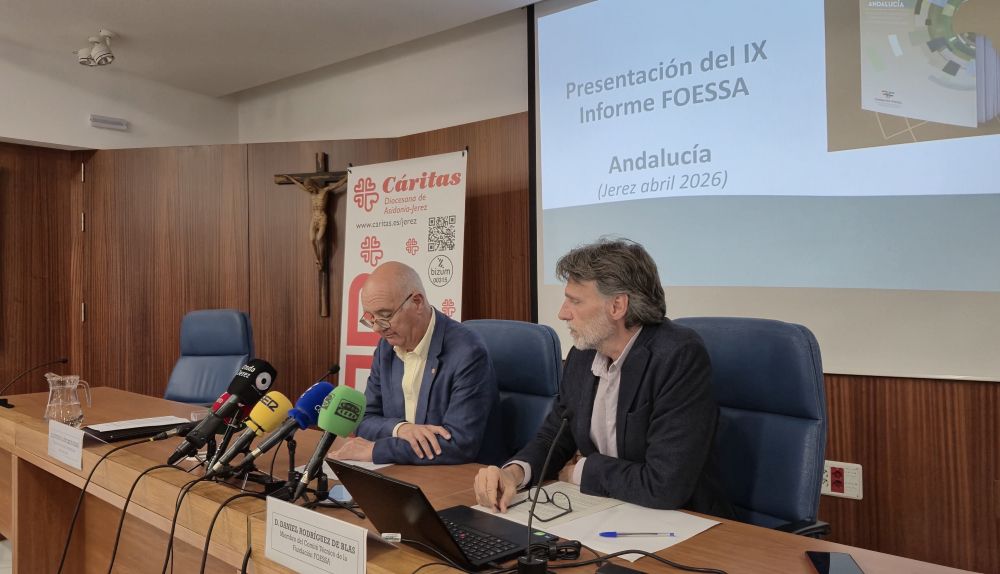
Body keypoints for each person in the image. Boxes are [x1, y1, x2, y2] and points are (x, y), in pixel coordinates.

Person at [473, 238, 733, 518]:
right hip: (607, 509)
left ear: (617, 306)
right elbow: (554, 436)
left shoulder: (677, 356)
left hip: (684, 521)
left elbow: (665, 484)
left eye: (575, 301)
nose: (562, 313)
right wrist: (514, 473)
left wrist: (582, 471)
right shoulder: (582, 355)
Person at [330, 261, 501, 464]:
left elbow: (459, 443)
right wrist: (401, 428)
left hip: (462, 474)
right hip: (401, 469)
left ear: (417, 302)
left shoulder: (467, 352)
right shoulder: (386, 348)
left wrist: (377, 450)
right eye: (371, 318)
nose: (376, 328)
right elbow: (365, 419)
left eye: (384, 316)